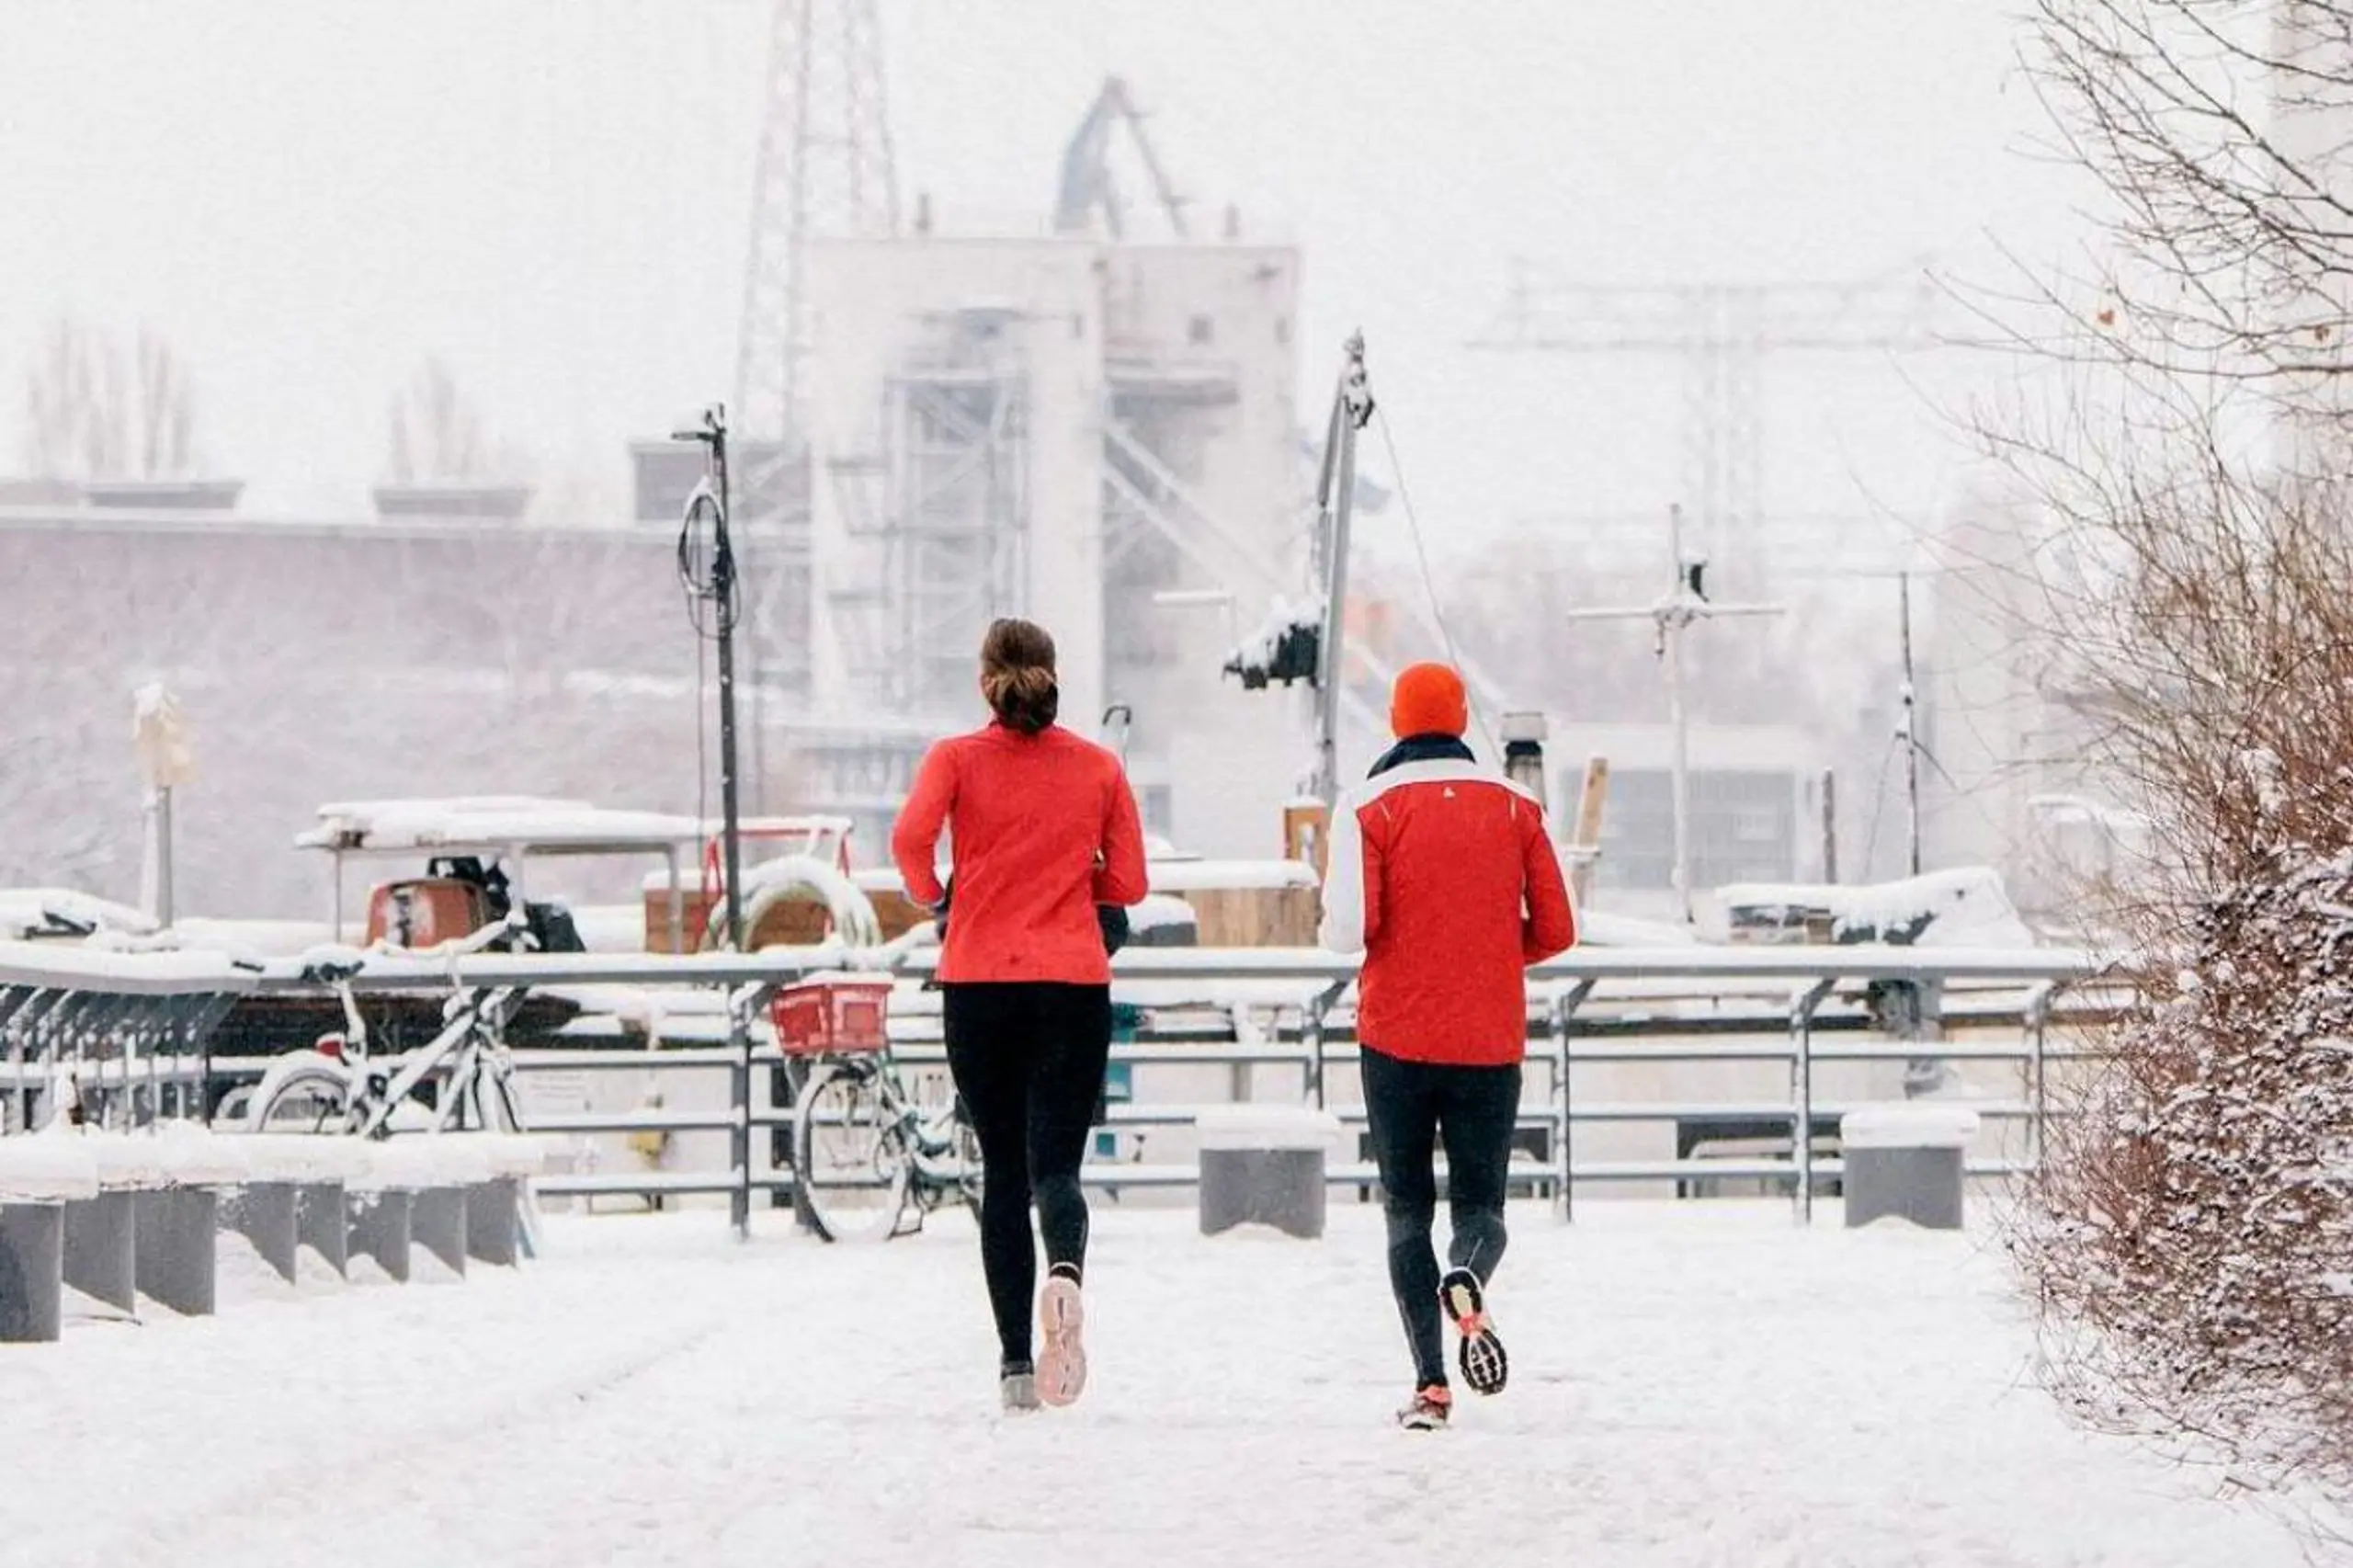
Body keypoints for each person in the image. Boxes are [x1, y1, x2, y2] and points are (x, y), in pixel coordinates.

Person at [891, 618, 1149, 1414]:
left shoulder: (956, 760)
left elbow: (909, 842)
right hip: (1071, 984)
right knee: (1057, 1170)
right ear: (1052, 672)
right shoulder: (1098, 767)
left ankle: (1014, 1366)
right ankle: (1064, 1274)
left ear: (985, 681)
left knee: (1002, 1175)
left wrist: (943, 897)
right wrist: (1084, 893)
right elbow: (1132, 884)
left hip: (979, 985)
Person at [1318, 662, 1577, 1430]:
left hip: (1395, 1036)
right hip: (1489, 1036)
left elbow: (1344, 932)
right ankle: (1467, 1271)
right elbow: (1559, 929)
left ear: (1397, 720)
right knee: (1481, 1205)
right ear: (1463, 719)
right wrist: (1492, 954)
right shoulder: (1517, 806)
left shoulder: (1368, 806)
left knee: (1405, 1212)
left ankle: (1431, 1386)